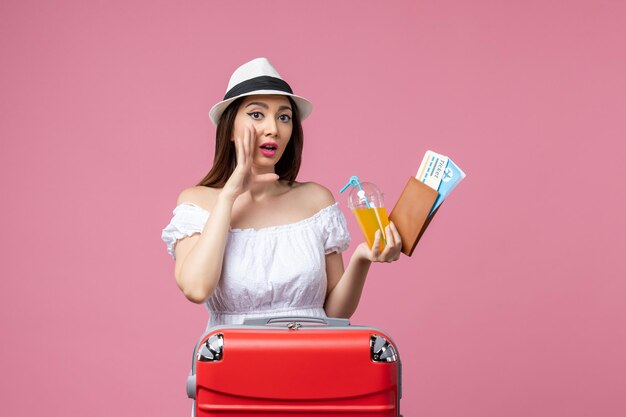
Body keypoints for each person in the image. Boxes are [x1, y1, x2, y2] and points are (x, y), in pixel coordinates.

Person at [161, 57, 402, 329]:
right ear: (229, 128)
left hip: (312, 361)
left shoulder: (316, 200)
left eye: (283, 117)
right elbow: (196, 288)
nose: (273, 129)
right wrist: (228, 196)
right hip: (236, 366)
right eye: (256, 115)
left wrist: (362, 257)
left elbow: (335, 313)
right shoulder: (197, 203)